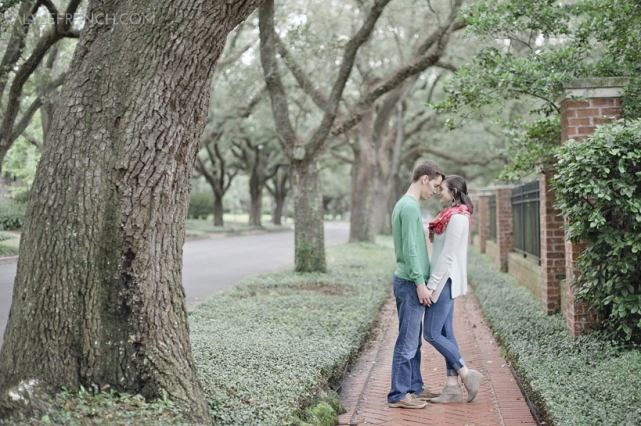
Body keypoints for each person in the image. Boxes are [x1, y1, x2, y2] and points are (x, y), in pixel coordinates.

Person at [387, 160, 444, 409]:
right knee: (407, 341)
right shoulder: (409, 207)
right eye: (435, 185)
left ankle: (414, 388)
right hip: (410, 282)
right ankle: (398, 395)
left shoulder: (406, 203)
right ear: (424, 179)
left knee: (414, 340)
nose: (435, 191)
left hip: (410, 281)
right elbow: (409, 248)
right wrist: (421, 283)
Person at [423, 175, 484, 404]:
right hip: (443, 280)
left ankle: (467, 375)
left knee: (431, 333)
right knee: (446, 332)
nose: (439, 191)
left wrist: (431, 286)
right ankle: (451, 388)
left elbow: (447, 257)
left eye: (443, 189)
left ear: (454, 192)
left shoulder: (457, 219)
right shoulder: (450, 216)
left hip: (444, 281)